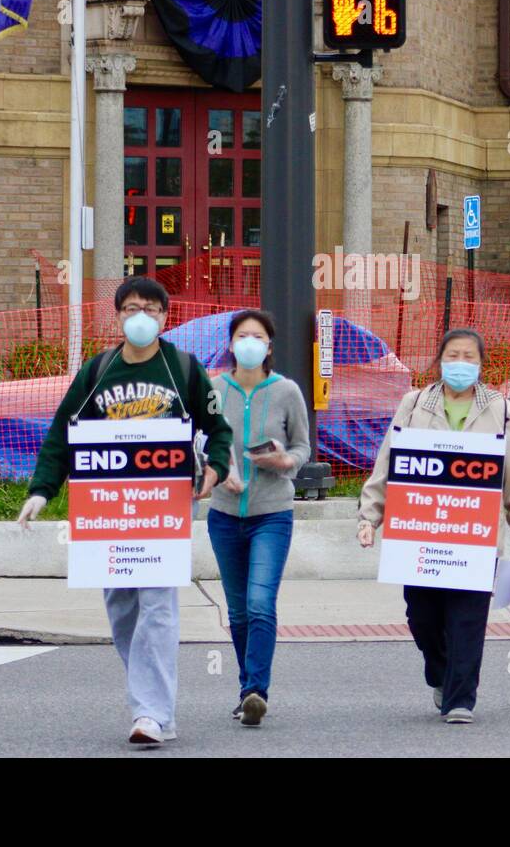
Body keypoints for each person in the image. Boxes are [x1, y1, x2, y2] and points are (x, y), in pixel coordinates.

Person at [17, 276, 232, 748]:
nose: (141, 317)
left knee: (157, 604)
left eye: (151, 309)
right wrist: (42, 490)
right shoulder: (98, 371)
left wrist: (216, 468)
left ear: (165, 317)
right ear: (117, 316)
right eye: (132, 308)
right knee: (121, 608)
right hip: (107, 508)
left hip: (163, 507)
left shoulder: (184, 369)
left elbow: (218, 428)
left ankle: (150, 713)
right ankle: (152, 701)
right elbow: (62, 433)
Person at [358, 327, 510, 724]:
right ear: (440, 360)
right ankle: (439, 673)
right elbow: (389, 461)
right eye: (453, 355)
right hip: (419, 534)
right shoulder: (415, 402)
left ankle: (460, 699)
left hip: (474, 536)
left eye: (469, 357)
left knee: (467, 619)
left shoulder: (499, 408)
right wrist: (370, 516)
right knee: (422, 616)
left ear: (481, 363)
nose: (461, 364)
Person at [209, 308, 311, 728]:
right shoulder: (213, 388)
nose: (249, 343)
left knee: (259, 602)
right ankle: (245, 688)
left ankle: (256, 690)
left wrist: (285, 459)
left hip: (272, 513)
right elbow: (202, 442)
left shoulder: (286, 391)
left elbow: (304, 447)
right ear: (231, 344)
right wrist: (221, 468)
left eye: (258, 337)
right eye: (241, 336)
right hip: (224, 513)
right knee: (236, 610)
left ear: (269, 346)